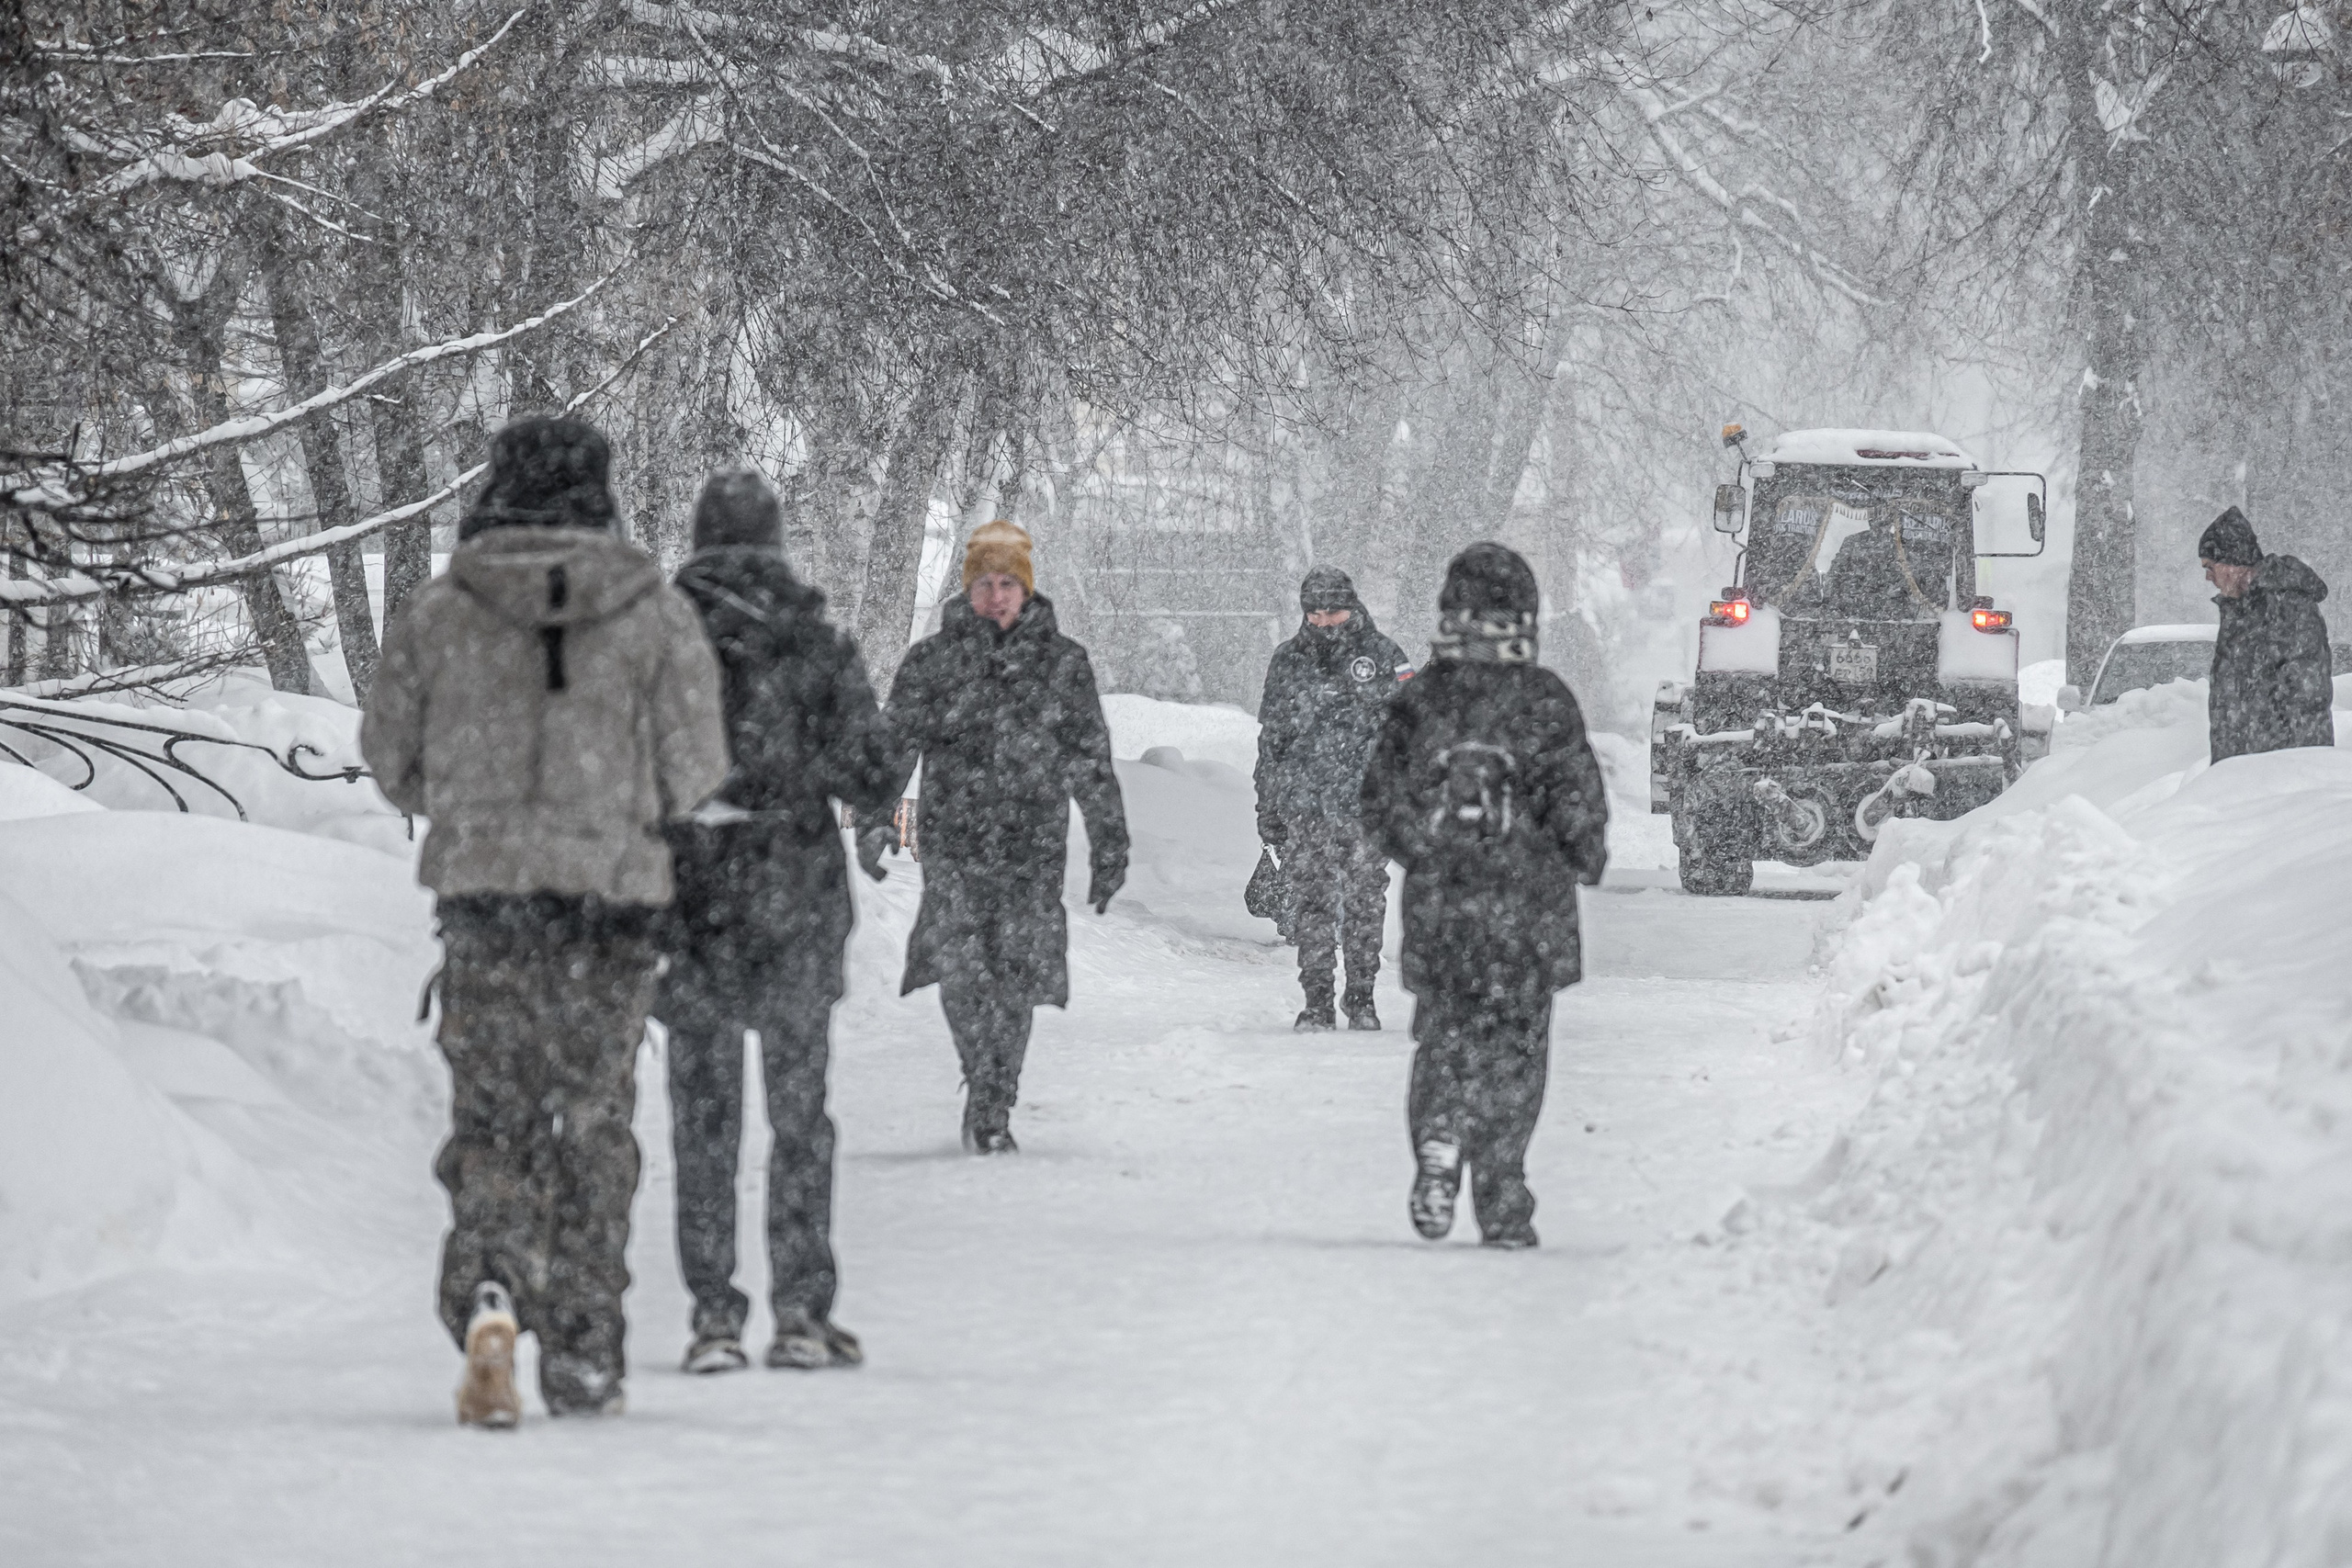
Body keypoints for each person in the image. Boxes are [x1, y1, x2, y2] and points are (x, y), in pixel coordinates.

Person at [360, 415, 729, 1426]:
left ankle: (491, 1283)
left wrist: (475, 811)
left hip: (485, 912)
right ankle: (584, 1347)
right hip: (608, 917)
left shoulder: (441, 612)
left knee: (495, 1119)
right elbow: (697, 766)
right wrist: (616, 807)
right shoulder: (654, 614)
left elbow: (391, 758)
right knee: (593, 1121)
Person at [652, 467, 906, 1377]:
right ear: (774, 541)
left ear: (697, 539)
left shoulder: (658, 641)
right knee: (801, 1117)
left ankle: (713, 1316)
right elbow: (871, 774)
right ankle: (801, 1309)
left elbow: (625, 767)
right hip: (792, 896)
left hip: (689, 902)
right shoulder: (812, 638)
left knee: (703, 1121)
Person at [1360, 543, 1608, 1250]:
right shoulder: (1545, 700)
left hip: (1444, 913)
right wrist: (1579, 855)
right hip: (1529, 918)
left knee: (1445, 1037)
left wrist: (1427, 850)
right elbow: (1578, 803)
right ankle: (1501, 1196)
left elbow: (1379, 800)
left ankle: (1439, 1132)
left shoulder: (1419, 701)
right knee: (1516, 1055)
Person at [886, 520, 1128, 1154]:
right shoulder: (933, 661)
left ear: (1027, 590)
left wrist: (1110, 843)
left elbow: (1090, 759)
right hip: (954, 842)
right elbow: (894, 744)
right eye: (985, 584)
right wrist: (875, 812)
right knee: (961, 970)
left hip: (1031, 844)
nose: (996, 597)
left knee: (1016, 974)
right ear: (968, 589)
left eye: (1008, 585)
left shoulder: (1062, 663)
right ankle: (979, 1071)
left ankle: (995, 1097)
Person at [1253, 566, 1410, 1031]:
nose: (1324, 622)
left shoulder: (1384, 656)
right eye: (1315, 613)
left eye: (1333, 611)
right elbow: (1272, 742)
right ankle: (1317, 1002)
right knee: (1312, 906)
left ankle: (1361, 999)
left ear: (1352, 606)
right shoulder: (1288, 660)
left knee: (1365, 903)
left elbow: (1410, 735)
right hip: (1306, 806)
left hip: (1367, 807)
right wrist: (1268, 805)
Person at [2199, 505, 2335, 764]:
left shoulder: (2287, 606)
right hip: (2243, 768)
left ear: (2232, 563)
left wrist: (2293, 768)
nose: (2208, 577)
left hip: (2276, 769)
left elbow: (2306, 698)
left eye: (2210, 567)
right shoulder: (2241, 611)